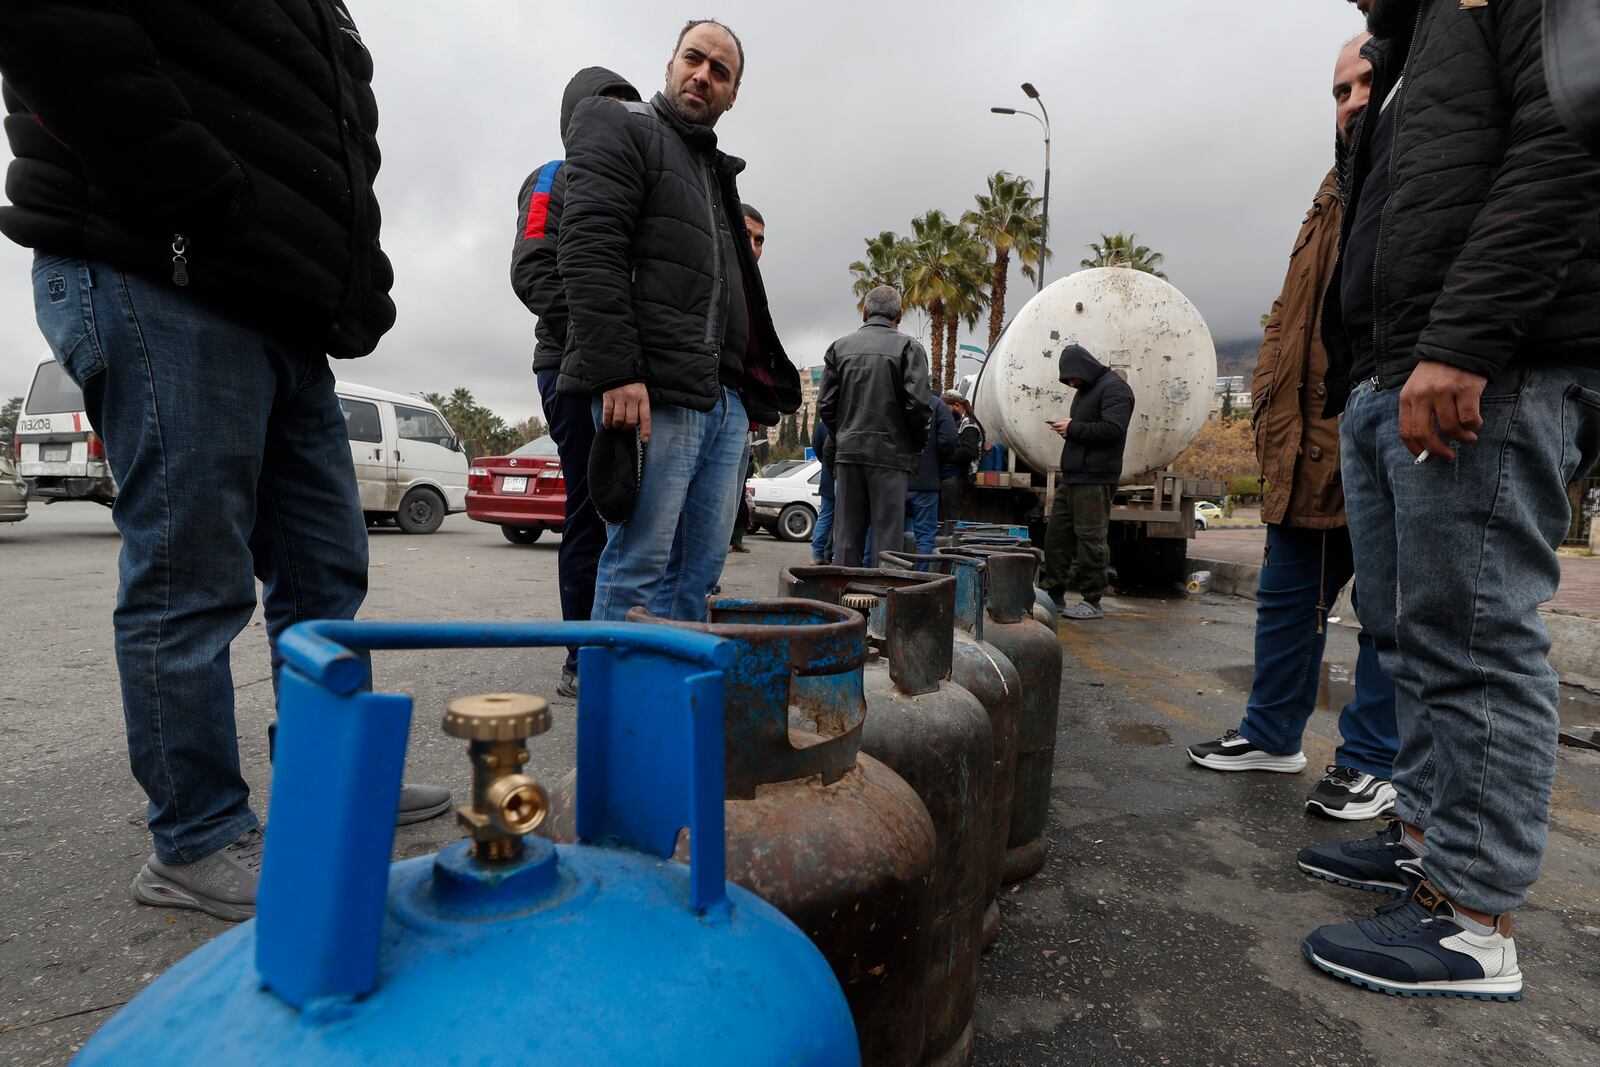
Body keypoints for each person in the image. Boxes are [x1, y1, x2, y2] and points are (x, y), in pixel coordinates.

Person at [0, 0, 450, 923]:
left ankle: (329, 781)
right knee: (191, 573)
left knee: (326, 570)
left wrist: (350, 281)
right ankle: (196, 835)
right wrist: (202, 194)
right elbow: (56, 29)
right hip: (159, 265)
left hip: (279, 303)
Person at [1298, 0, 1600, 1002]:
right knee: (1416, 633)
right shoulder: (1412, 38)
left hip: (1482, 364)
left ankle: (1472, 922)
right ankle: (1426, 847)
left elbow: (1566, 141)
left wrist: (1463, 340)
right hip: (1399, 369)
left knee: (1474, 639)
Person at [1187, 34, 1400, 823]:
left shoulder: (1410, 159)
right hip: (1307, 436)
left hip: (1374, 424)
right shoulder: (1333, 186)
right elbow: (1292, 312)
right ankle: (1272, 733)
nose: (1349, 103)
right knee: (1286, 597)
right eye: (1338, 91)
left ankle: (1376, 761)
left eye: (1365, 84)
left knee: (1386, 606)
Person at [556, 20, 800, 623]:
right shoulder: (621, 124)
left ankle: (665, 710)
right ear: (670, 63)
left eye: (721, 72)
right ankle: (617, 714)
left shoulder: (715, 173)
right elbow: (588, 247)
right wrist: (617, 371)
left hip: (722, 403)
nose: (703, 76)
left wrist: (745, 400)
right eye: (695, 59)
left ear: (733, 94)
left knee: (697, 574)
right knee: (638, 566)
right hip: (652, 393)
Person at [510, 67, 640, 698]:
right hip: (571, 370)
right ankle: (579, 654)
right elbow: (534, 272)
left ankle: (631, 645)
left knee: (637, 518)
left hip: (635, 377)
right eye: (608, 106)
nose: (622, 118)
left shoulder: (639, 184)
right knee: (591, 512)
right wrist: (604, 336)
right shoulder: (552, 178)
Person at [817, 285, 931, 568]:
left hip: (849, 454)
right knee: (888, 543)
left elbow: (825, 406)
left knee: (845, 540)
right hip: (891, 458)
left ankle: (842, 608)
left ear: (865, 312)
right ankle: (882, 606)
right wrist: (912, 445)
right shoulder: (910, 348)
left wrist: (843, 434)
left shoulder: (839, 348)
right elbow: (917, 405)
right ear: (900, 315)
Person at [1040, 345, 1135, 620]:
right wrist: (1071, 428)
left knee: (1090, 540)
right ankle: (1052, 595)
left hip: (1095, 479)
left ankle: (1093, 600)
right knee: (1056, 537)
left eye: (1071, 377)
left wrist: (1073, 428)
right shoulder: (1086, 391)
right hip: (1073, 477)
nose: (1071, 383)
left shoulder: (1115, 389)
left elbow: (1113, 429)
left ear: (1083, 367)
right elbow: (1090, 429)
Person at [728, 203, 768, 556]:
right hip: (704, 407)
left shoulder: (753, 292)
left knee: (717, 525)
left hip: (738, 421)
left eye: (760, 241)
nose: (754, 247)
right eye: (748, 236)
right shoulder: (711, 280)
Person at [906, 395, 957, 554]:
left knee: (883, 533)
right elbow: (949, 438)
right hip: (925, 480)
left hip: (893, 479)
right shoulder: (937, 404)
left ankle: (884, 574)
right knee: (925, 537)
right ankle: (923, 577)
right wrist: (936, 462)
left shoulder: (893, 398)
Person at [939, 390, 985, 527]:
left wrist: (944, 456)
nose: (944, 412)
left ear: (957, 405)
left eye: (946, 407)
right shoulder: (960, 422)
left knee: (951, 523)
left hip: (955, 479)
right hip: (950, 479)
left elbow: (968, 451)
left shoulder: (969, 424)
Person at [811, 418, 835, 563]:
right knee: (843, 520)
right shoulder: (849, 420)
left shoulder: (823, 425)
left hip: (827, 477)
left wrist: (826, 462)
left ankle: (817, 554)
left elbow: (817, 446)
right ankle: (834, 554)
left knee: (825, 516)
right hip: (844, 476)